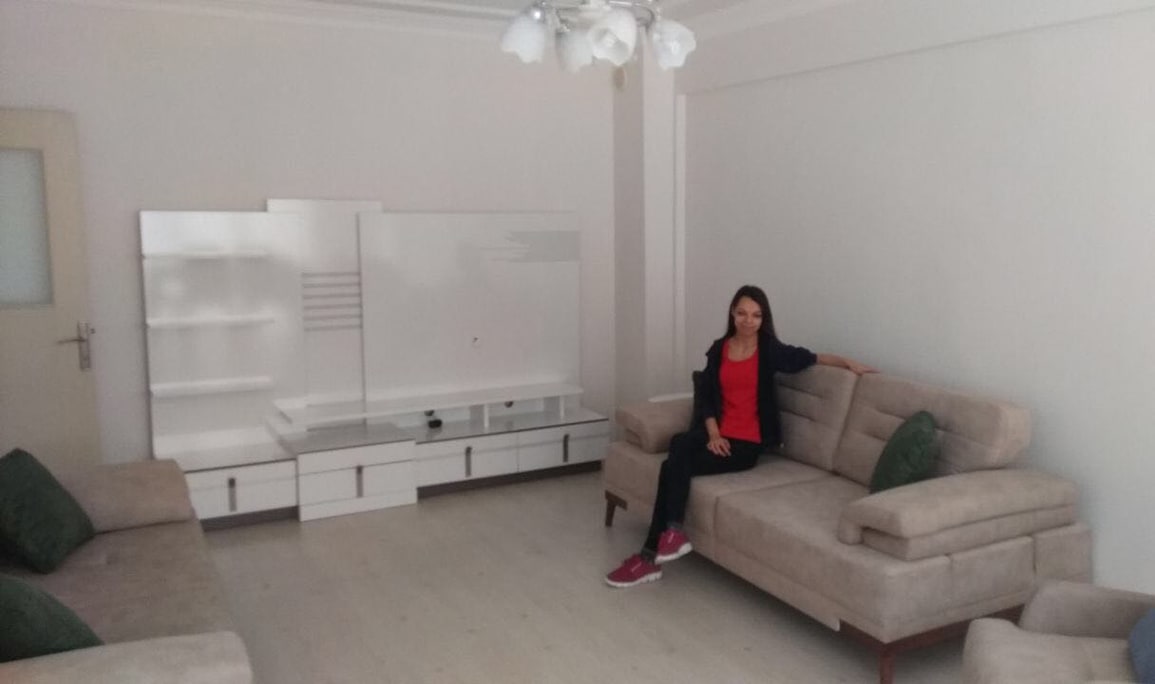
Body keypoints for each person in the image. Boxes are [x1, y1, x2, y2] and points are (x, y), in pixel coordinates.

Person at [605, 285, 875, 588]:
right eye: (743, 313)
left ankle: (650, 556)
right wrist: (713, 434)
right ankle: (670, 536)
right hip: (717, 435)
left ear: (764, 318)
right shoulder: (719, 349)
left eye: (756, 315)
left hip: (745, 445)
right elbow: (707, 395)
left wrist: (848, 363)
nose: (749, 321)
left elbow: (809, 357)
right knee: (679, 445)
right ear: (733, 314)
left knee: (671, 467)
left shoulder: (770, 350)